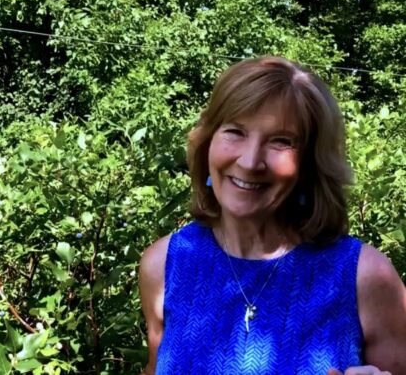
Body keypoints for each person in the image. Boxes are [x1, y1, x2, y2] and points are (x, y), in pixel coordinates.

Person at [139, 56, 406, 374]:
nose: (250, 162)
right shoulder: (165, 265)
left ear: (311, 164)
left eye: (281, 141)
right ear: (208, 142)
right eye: (235, 131)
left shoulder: (367, 277)